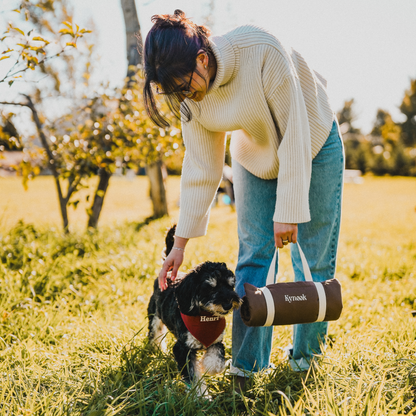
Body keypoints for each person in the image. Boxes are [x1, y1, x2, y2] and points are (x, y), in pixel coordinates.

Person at [142, 9, 344, 387]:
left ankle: (305, 360)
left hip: (313, 143)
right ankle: (246, 368)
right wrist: (180, 245)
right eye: (175, 92)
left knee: (312, 260)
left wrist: (288, 208)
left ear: (202, 59)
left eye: (185, 86)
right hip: (255, 153)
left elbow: (294, 133)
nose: (185, 97)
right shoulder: (191, 98)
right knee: (253, 256)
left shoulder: (261, 49)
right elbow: (201, 166)